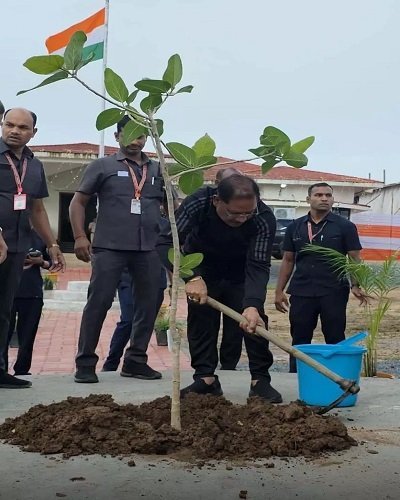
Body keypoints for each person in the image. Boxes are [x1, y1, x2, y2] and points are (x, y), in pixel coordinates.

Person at [158, 174, 282, 403]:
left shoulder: (263, 217)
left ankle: (260, 381)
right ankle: (206, 379)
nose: (242, 218)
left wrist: (253, 304)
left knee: (254, 322)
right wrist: (191, 277)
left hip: (241, 272)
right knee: (201, 321)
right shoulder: (198, 202)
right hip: (201, 268)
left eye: (247, 213)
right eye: (234, 213)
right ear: (217, 201)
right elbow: (166, 242)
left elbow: (258, 264)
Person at [70, 115, 165, 383]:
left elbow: (170, 206)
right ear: (117, 136)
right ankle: (85, 363)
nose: (136, 140)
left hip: (148, 248)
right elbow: (78, 203)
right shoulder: (102, 166)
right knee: (98, 302)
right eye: (129, 134)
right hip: (109, 248)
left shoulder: (158, 169)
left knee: (149, 303)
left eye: (141, 135)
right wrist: (79, 236)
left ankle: (136, 360)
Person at [0, 108, 65, 389]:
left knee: (4, 309)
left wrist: (52, 244)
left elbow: (37, 209)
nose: (15, 131)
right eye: (9, 124)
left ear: (33, 133)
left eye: (23, 127)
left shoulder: (34, 166)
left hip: (16, 249)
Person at [274, 182, 369, 372]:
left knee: (335, 336)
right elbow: (288, 260)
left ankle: (337, 378)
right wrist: (279, 291)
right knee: (299, 338)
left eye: (328, 195)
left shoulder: (345, 226)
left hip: (333, 291)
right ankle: (296, 376)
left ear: (332, 200)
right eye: (318, 195)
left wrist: (355, 284)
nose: (324, 198)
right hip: (302, 291)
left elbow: (354, 258)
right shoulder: (295, 227)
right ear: (308, 199)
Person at [102, 266, 168, 371]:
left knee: (147, 323)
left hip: (156, 277)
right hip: (128, 276)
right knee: (128, 321)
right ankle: (111, 363)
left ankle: (135, 362)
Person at [5, 230, 50, 375]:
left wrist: (40, 262)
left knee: (28, 336)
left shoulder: (40, 237)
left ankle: (22, 370)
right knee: (3, 334)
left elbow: (51, 263)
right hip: (7, 292)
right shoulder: (5, 234)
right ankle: (2, 370)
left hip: (32, 292)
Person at [214, 167, 245, 370]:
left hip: (238, 278)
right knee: (204, 326)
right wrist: (193, 278)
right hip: (208, 277)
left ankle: (229, 367)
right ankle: (205, 372)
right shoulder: (201, 204)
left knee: (236, 326)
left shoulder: (253, 207)